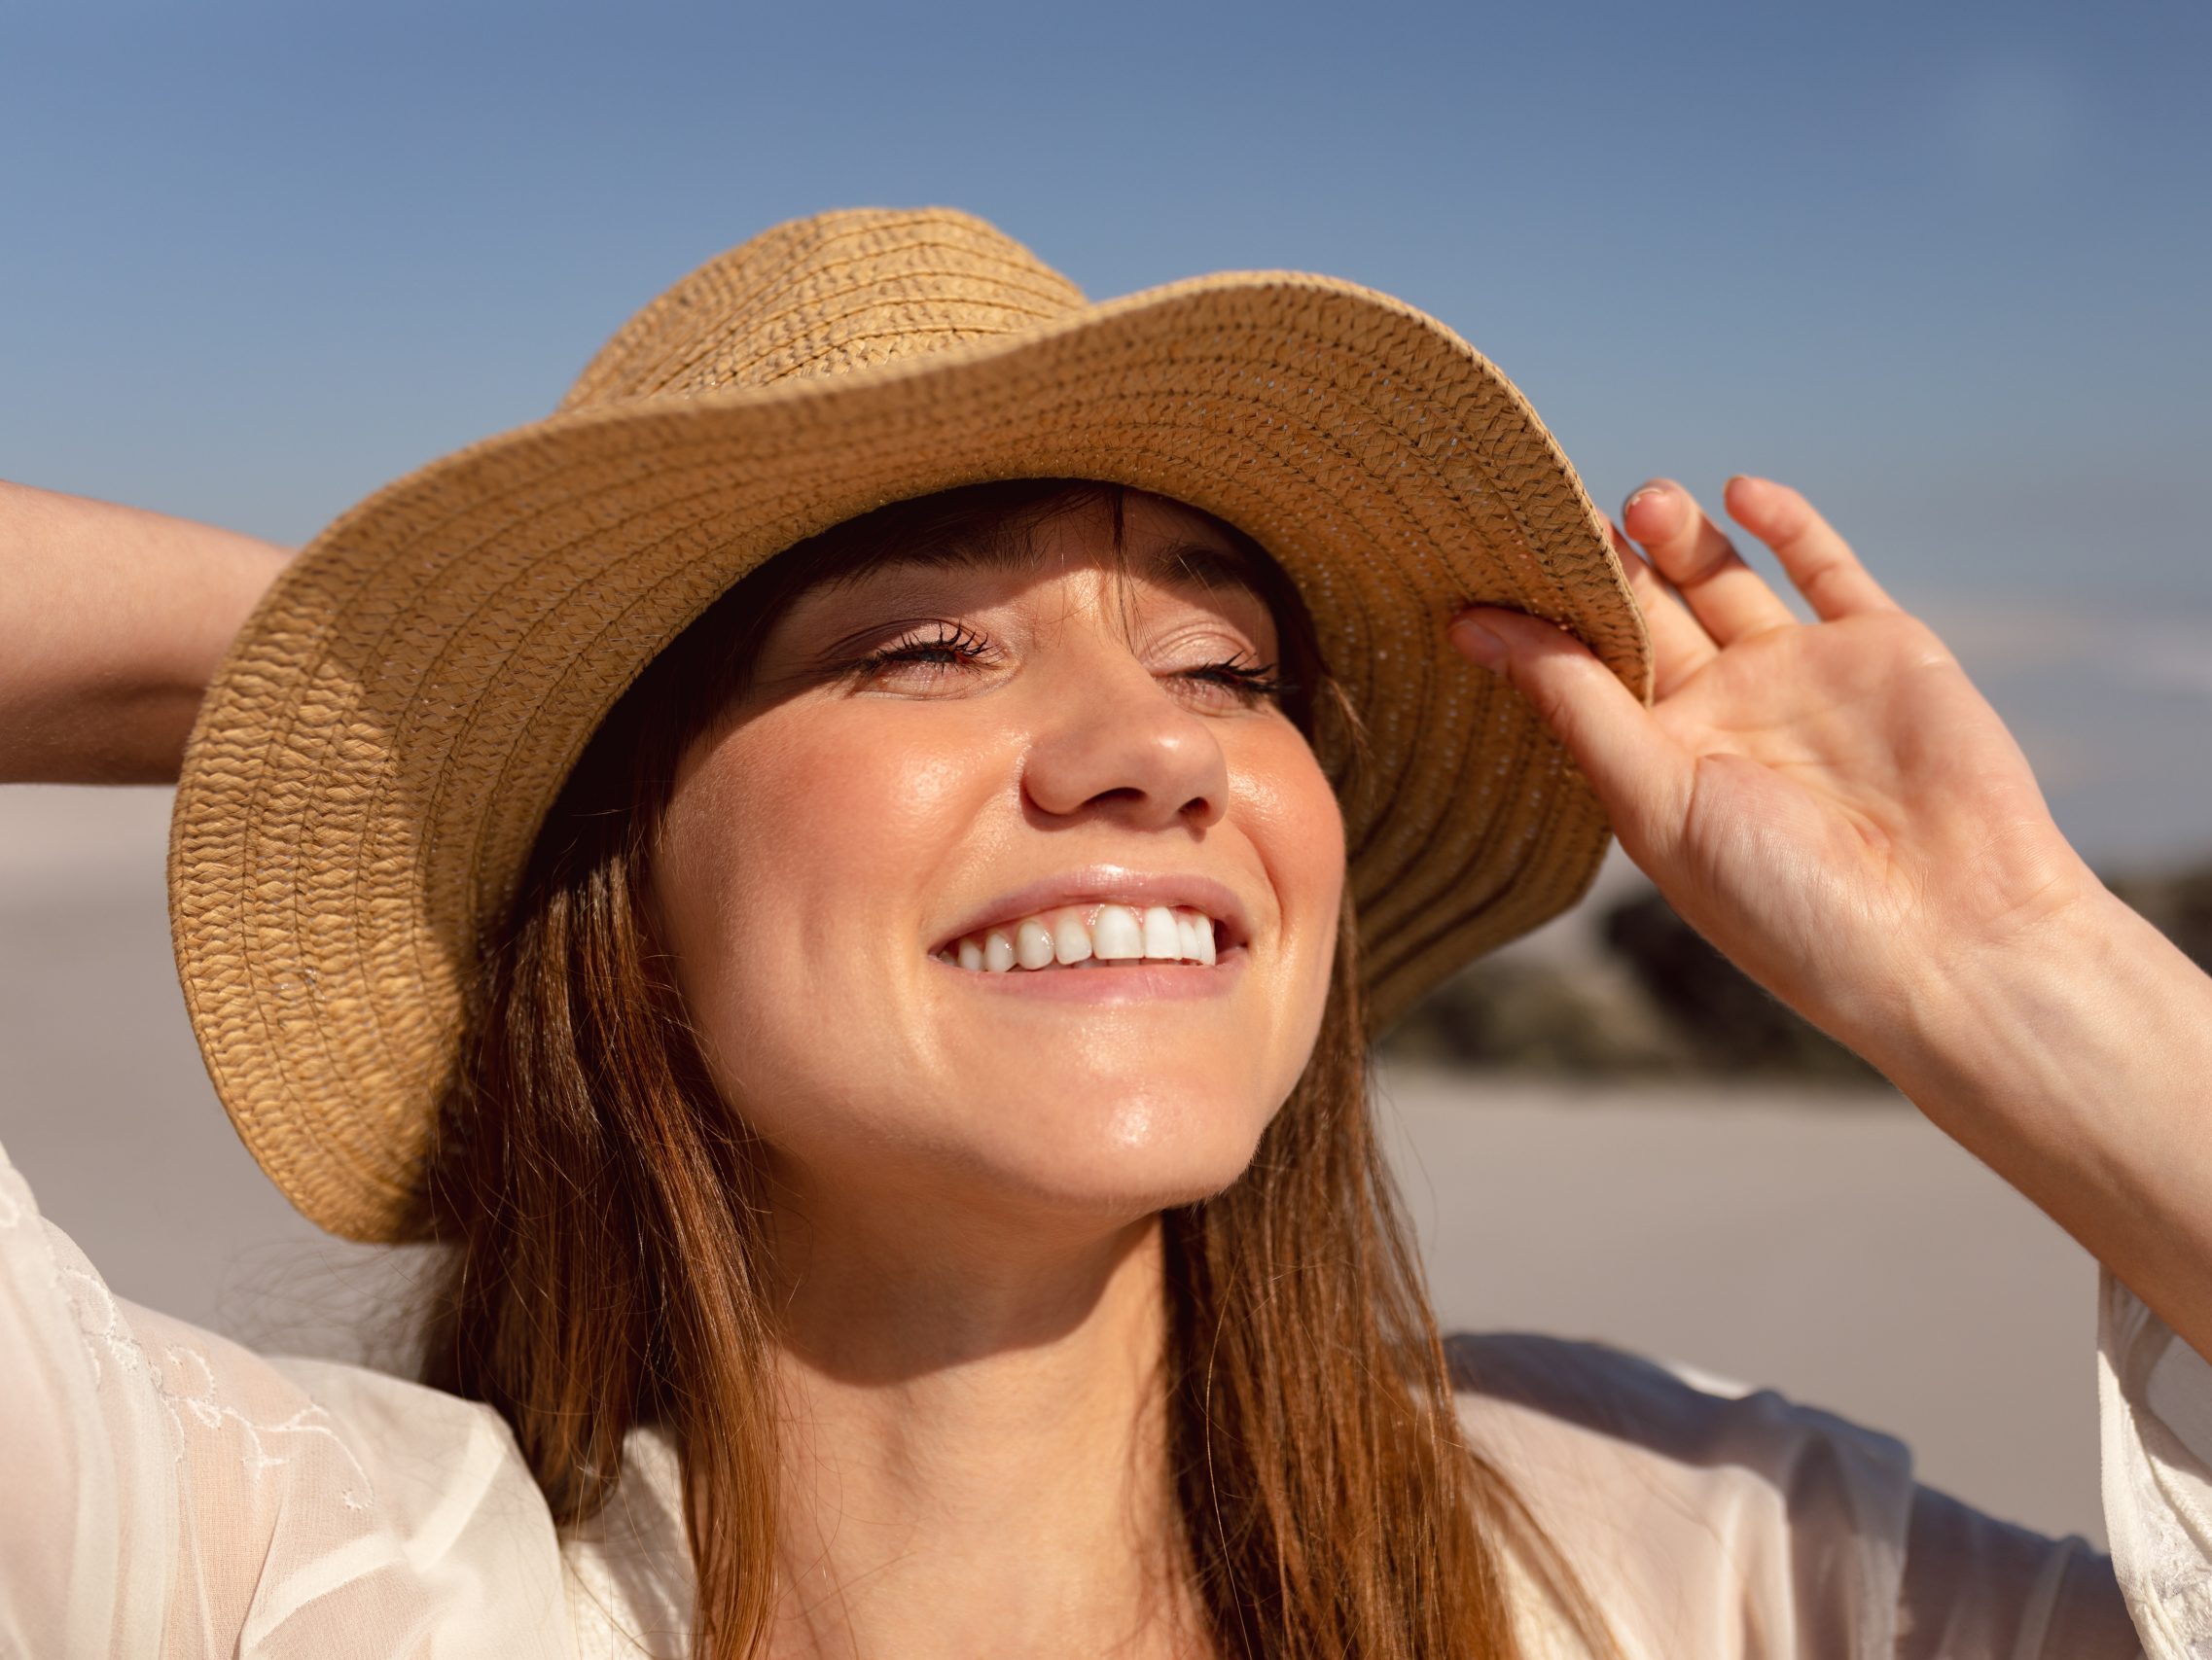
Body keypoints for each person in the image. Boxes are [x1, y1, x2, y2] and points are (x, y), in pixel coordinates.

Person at [2, 206, 2207, 1659]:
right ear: (627, 864)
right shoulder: (271, 1572)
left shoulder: (1692, 1558)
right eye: (929, 647)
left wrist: (2024, 967)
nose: (1151, 751)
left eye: (1229, 670)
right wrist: (402, 688)